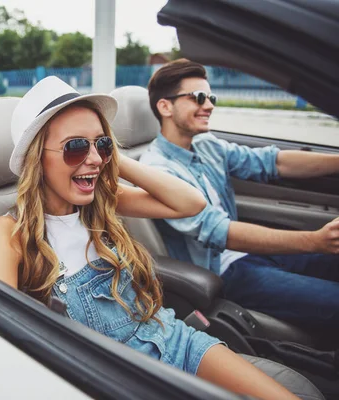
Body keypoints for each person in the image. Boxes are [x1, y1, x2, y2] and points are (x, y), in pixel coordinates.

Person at [0, 76, 299, 399]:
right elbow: (3, 328)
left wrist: (110, 161)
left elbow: (191, 203)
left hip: (173, 338)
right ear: (36, 158)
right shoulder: (9, 232)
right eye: (75, 146)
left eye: (102, 143)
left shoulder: (103, 200)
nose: (93, 157)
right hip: (115, 374)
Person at [140, 58, 339, 331]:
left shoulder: (207, 145)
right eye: (198, 97)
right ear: (165, 106)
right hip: (223, 272)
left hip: (247, 253)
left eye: (211, 97)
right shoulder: (156, 170)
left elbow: (273, 162)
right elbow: (221, 231)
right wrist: (314, 241)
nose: (209, 105)